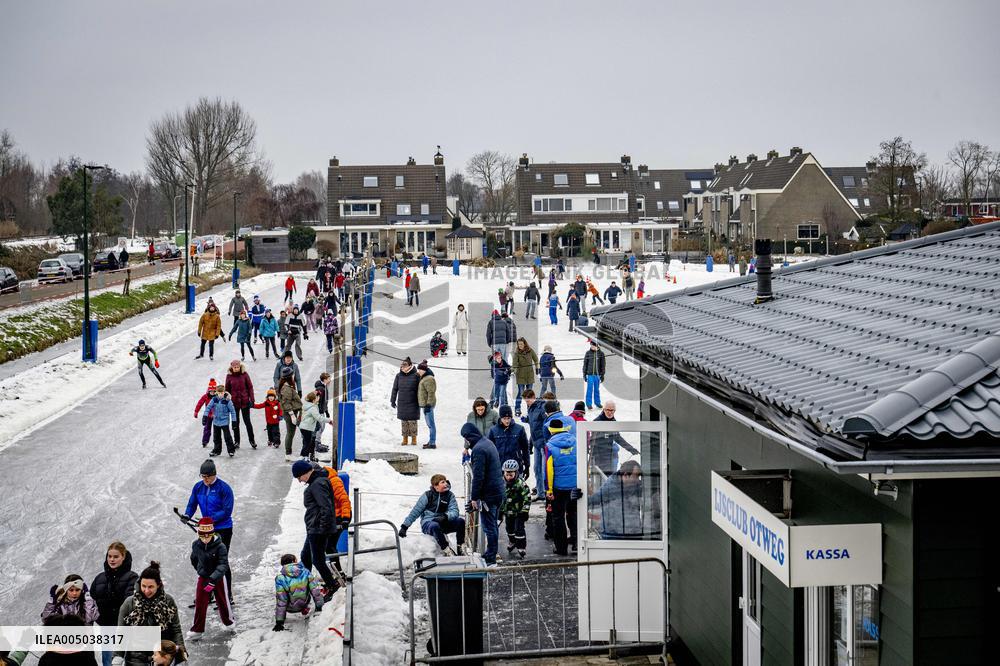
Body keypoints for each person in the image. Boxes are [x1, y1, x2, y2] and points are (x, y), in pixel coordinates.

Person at [115, 562, 186, 666]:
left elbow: (175, 630)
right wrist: (118, 656)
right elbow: (121, 632)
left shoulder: (168, 601)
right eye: (143, 586)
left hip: (161, 658)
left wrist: (181, 654)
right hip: (135, 660)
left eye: (151, 587)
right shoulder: (129, 603)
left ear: (158, 585)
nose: (146, 590)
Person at [182, 459, 235, 598]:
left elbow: (227, 510)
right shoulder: (198, 487)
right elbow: (192, 503)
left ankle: (227, 594)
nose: (205, 479)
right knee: (199, 558)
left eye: (207, 476)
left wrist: (210, 519)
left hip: (223, 528)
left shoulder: (224, 488)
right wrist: (187, 515)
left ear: (214, 474)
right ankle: (209, 590)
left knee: (221, 561)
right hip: (206, 529)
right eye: (202, 476)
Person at [291, 460, 340, 600]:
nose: (300, 481)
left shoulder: (317, 484)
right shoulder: (316, 482)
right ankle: (305, 587)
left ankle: (333, 586)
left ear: (305, 473)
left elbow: (326, 507)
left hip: (318, 529)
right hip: (314, 527)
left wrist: (323, 528)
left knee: (317, 560)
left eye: (299, 477)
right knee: (306, 556)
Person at [461, 423, 505, 565]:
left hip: (489, 495)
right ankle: (491, 553)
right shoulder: (487, 442)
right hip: (498, 491)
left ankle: (490, 557)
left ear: (469, 437)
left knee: (489, 527)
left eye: (465, 438)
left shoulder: (479, 450)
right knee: (493, 525)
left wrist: (475, 498)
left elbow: (478, 477)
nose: (465, 442)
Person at [185, 518, 234, 641]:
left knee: (222, 601)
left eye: (208, 535)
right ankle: (197, 629)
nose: (205, 537)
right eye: (202, 534)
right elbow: (194, 559)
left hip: (218, 579)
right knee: (200, 602)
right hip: (204, 577)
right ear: (199, 534)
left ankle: (229, 623)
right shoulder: (196, 545)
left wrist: (214, 578)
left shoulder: (220, 546)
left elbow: (223, 564)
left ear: (212, 533)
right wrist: (201, 571)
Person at [91, 542, 139, 666]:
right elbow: (91, 600)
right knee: (108, 661)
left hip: (124, 628)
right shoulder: (99, 578)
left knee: (124, 660)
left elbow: (130, 602)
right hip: (106, 627)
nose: (112, 560)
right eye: (109, 556)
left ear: (123, 557)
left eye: (116, 557)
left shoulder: (132, 577)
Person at [398, 474, 465, 555]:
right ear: (436, 486)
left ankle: (460, 547)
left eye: (445, 482)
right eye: (442, 482)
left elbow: (455, 511)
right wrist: (404, 526)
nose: (446, 484)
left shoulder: (450, 495)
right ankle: (446, 549)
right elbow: (415, 511)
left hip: (443, 522)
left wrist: (445, 516)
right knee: (434, 526)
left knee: (460, 522)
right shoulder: (427, 495)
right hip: (429, 523)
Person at [545, 418, 580, 556]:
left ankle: (561, 548)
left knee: (558, 517)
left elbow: (549, 470)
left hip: (558, 488)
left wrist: (549, 490)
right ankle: (577, 543)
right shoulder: (575, 441)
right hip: (574, 485)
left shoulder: (549, 445)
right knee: (574, 514)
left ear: (551, 430)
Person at [589, 460, 645, 539]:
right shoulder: (609, 488)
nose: (638, 480)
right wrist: (580, 497)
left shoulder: (637, 486)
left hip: (633, 534)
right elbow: (594, 500)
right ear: (625, 475)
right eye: (636, 476)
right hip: (613, 536)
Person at [272, 554, 325, 632]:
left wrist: (279, 622)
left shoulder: (280, 578)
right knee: (307, 589)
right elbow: (315, 591)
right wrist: (319, 607)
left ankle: (282, 616)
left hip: (289, 608)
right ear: (294, 561)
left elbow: (281, 600)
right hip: (304, 603)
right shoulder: (306, 572)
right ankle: (303, 608)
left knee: (281, 596)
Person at [501, 459, 531, 559]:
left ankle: (521, 546)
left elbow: (527, 498)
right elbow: (500, 499)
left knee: (519, 529)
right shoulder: (502, 484)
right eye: (507, 474)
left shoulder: (520, 484)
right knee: (509, 528)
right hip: (508, 511)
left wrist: (525, 511)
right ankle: (512, 541)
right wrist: (500, 512)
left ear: (516, 473)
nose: (508, 477)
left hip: (519, 512)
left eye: (511, 475)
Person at [488, 406, 530, 476]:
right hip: (499, 467)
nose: (507, 421)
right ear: (500, 418)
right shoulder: (493, 431)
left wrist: (527, 465)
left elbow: (525, 449)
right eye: (504, 418)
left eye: (508, 418)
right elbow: (489, 451)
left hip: (516, 467)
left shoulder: (519, 429)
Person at [521, 389, 548, 499]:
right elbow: (534, 421)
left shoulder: (542, 406)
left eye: (528, 401)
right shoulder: (530, 408)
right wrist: (526, 419)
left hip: (543, 442)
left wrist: (545, 437)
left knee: (544, 468)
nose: (527, 403)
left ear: (533, 397)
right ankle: (540, 493)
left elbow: (546, 421)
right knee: (536, 468)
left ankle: (546, 491)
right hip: (536, 442)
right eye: (525, 401)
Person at [225, 360, 256, 448]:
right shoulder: (229, 376)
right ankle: (237, 441)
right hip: (234, 403)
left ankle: (252, 441)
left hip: (245, 402)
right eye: (234, 367)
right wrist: (227, 402)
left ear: (240, 366)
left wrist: (252, 399)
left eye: (237, 367)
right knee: (236, 423)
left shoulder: (244, 374)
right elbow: (227, 390)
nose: (236, 368)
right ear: (232, 367)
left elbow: (250, 387)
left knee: (247, 422)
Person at [390, 357, 421, 446]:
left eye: (404, 365)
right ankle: (405, 439)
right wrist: (392, 400)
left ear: (410, 365)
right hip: (402, 402)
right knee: (404, 422)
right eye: (402, 365)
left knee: (412, 421)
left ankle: (414, 439)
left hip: (413, 401)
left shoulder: (416, 375)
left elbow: (420, 389)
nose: (402, 366)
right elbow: (395, 389)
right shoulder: (398, 376)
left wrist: (421, 401)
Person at [278, 369, 303, 461]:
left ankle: (288, 453)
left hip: (291, 411)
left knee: (291, 433)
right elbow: (286, 402)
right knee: (290, 433)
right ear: (290, 376)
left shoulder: (288, 386)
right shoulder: (286, 388)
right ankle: (288, 454)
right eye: (292, 375)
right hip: (290, 413)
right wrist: (292, 415)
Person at [205, 385, 237, 457]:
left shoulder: (227, 401)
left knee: (227, 437)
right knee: (216, 437)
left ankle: (231, 450)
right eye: (219, 393)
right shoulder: (214, 399)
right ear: (216, 392)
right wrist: (205, 416)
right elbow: (208, 408)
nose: (220, 395)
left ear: (224, 392)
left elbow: (233, 411)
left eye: (221, 393)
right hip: (216, 421)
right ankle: (217, 450)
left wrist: (234, 421)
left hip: (224, 422)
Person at [298, 392, 329, 462]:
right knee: (307, 443)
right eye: (317, 397)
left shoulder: (308, 405)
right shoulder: (313, 407)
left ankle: (304, 456)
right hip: (307, 428)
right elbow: (319, 417)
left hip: (304, 427)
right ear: (313, 399)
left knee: (306, 442)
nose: (318, 398)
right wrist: (329, 421)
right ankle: (303, 456)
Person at [512, 338, 538, 416]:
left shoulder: (530, 351)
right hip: (520, 375)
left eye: (521, 344)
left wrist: (537, 368)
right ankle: (517, 409)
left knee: (529, 394)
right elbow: (515, 364)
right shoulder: (516, 353)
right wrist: (514, 370)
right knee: (521, 393)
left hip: (529, 374)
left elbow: (536, 359)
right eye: (519, 344)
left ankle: (530, 408)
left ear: (525, 344)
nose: (520, 346)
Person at [417, 360, 437, 449]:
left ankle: (432, 443)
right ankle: (431, 441)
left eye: (420, 370)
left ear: (424, 370)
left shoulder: (429, 379)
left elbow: (431, 392)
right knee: (429, 424)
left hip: (428, 405)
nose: (418, 372)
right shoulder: (424, 377)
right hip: (425, 405)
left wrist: (428, 405)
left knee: (431, 424)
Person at [193, 379, 218, 448]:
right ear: (208, 390)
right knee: (207, 428)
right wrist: (196, 411)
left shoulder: (218, 397)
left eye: (214, 391)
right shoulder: (205, 396)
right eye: (211, 391)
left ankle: (217, 442)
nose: (212, 392)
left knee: (217, 430)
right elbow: (200, 403)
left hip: (216, 416)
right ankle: (205, 441)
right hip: (208, 415)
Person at [583, 340, 606, 410]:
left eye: (593, 345)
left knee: (597, 390)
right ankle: (589, 404)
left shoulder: (601, 354)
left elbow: (603, 365)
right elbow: (585, 364)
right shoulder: (588, 353)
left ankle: (597, 402)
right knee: (589, 389)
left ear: (597, 346)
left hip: (597, 375)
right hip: (590, 375)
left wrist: (602, 375)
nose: (591, 347)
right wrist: (584, 374)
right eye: (591, 345)